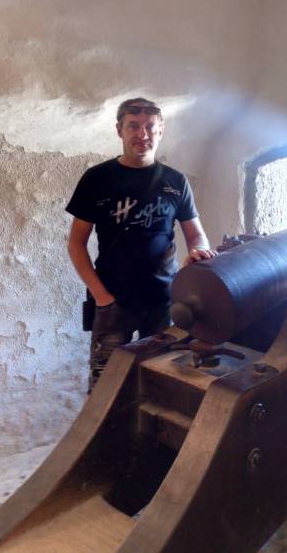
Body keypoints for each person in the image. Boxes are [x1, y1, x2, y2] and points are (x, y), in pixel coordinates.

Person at [66, 97, 216, 391]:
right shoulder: (97, 179)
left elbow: (195, 235)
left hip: (163, 301)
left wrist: (199, 249)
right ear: (119, 130)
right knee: (105, 386)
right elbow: (76, 243)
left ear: (160, 131)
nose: (142, 134)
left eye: (150, 127)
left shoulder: (175, 182)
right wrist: (101, 296)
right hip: (112, 301)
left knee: (159, 385)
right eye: (133, 126)